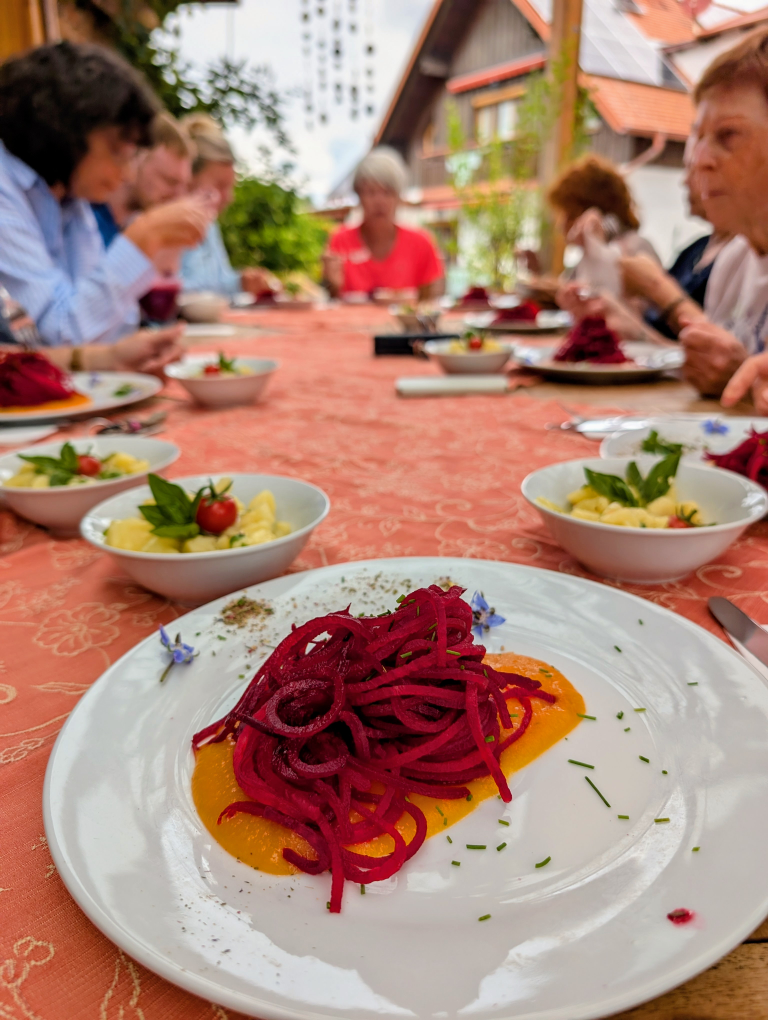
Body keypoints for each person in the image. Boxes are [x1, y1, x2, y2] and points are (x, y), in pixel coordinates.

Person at [0, 42, 213, 347]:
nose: (126, 174)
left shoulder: (70, 199)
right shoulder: (5, 192)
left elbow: (116, 328)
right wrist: (144, 236)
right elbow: (51, 337)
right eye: (117, 152)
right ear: (66, 132)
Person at [322, 147, 444, 300]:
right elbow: (330, 302)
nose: (379, 201)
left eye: (387, 192)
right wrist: (331, 286)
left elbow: (428, 304)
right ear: (358, 196)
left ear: (399, 197)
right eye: (371, 192)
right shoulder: (340, 240)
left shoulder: (421, 243)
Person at [179, 114, 273, 297]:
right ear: (187, 177)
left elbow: (221, 278)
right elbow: (173, 290)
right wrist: (237, 284)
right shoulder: (167, 223)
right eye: (220, 185)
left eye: (230, 187)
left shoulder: (210, 225)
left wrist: (244, 281)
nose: (229, 198)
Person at [91, 112, 195, 248]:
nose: (179, 196)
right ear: (133, 161)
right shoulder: (83, 220)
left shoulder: (126, 231)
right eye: (170, 181)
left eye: (184, 185)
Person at [547, 155, 660, 269]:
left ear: (595, 213)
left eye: (570, 215)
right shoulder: (595, 253)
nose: (561, 224)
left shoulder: (635, 249)